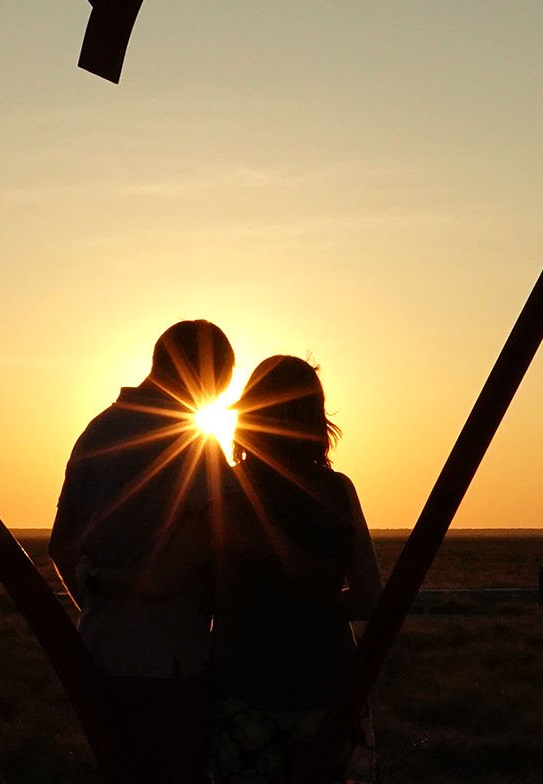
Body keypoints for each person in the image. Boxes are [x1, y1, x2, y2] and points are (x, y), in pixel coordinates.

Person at [49, 319, 234, 784]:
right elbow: (228, 540)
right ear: (204, 379)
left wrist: (98, 597)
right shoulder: (196, 444)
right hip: (171, 665)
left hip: (98, 656)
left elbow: (60, 545)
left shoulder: (95, 433)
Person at [210, 355, 381, 784]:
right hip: (329, 688)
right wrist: (321, 603)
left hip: (246, 687)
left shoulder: (225, 488)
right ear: (316, 418)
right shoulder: (338, 491)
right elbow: (369, 597)